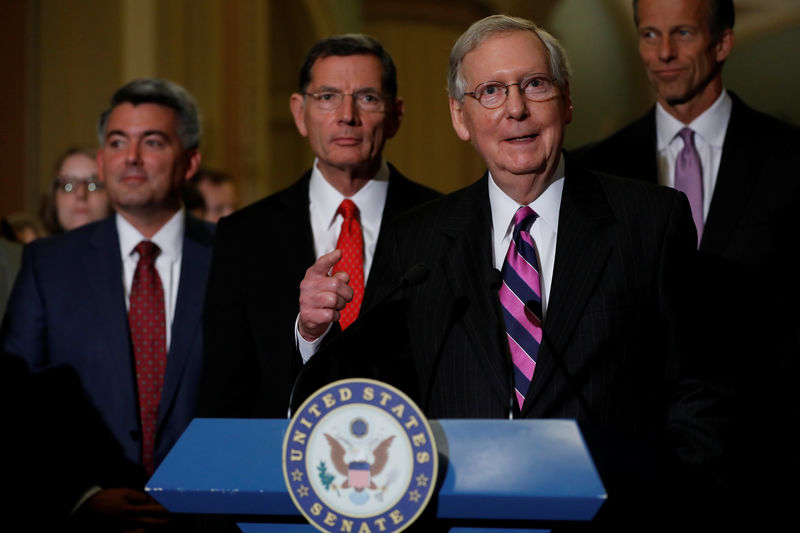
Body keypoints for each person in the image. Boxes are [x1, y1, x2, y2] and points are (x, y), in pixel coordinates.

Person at [305, 15, 723, 529]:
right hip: (458, 519)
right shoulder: (416, 240)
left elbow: (697, 392)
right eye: (491, 91)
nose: (516, 109)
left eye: (535, 84)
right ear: (461, 118)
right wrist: (313, 334)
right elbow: (376, 396)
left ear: (566, 101)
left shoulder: (651, 221)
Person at [574, 0, 799, 524]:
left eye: (682, 34)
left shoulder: (792, 160)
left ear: (722, 42)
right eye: (649, 35)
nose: (664, 53)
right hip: (630, 469)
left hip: (764, 464)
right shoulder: (593, 171)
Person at [1, 77, 214, 531]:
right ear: (102, 160)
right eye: (118, 142)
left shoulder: (235, 257)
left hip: (207, 519)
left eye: (152, 141)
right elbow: (15, 402)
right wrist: (81, 497)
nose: (131, 157)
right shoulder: (48, 264)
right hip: (87, 522)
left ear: (189, 161)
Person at [198, 34, 439, 419]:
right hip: (280, 463)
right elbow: (224, 392)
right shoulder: (243, 235)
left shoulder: (445, 223)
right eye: (327, 97)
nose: (347, 115)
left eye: (367, 97)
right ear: (299, 113)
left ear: (395, 115)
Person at [41, 147, 112, 234]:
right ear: (53, 198)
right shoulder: (36, 247)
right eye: (68, 186)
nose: (81, 194)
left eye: (94, 185)